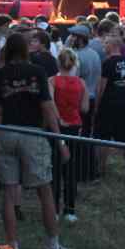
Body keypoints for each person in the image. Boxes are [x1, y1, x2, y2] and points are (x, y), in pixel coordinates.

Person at [0, 33, 71, 249]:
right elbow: (47, 108)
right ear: (25, 50)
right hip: (32, 135)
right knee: (45, 191)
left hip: (5, 134)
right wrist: (60, 141)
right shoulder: (37, 72)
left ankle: (12, 245)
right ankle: (53, 246)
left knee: (9, 191)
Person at [50, 48, 87, 222]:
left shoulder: (52, 81)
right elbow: (84, 108)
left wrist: (59, 118)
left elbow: (50, 104)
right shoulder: (81, 83)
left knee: (55, 168)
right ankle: (70, 209)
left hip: (57, 127)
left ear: (58, 63)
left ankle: (54, 209)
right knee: (71, 168)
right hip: (74, 126)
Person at [95, 37, 125, 179]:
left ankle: (101, 169)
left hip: (108, 104)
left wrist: (97, 106)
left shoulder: (107, 62)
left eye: (106, 43)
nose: (104, 45)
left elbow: (102, 87)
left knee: (104, 137)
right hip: (124, 103)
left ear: (113, 45)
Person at [70, 25, 101, 182]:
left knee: (78, 136)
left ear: (80, 38)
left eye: (73, 36)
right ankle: (91, 171)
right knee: (87, 135)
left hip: (79, 99)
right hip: (92, 97)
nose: (71, 39)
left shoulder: (76, 56)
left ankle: (81, 171)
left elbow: (73, 79)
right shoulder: (94, 54)